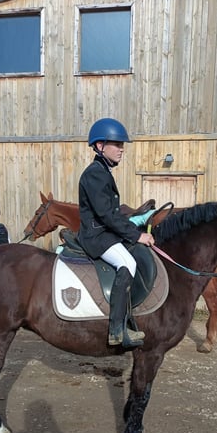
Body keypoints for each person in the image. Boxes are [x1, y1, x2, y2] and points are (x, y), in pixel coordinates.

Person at [77, 118, 155, 348]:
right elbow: (106, 215)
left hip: (104, 233)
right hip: (96, 237)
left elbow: (114, 213)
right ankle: (117, 331)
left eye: (122, 145)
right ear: (100, 146)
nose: (122, 149)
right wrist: (137, 235)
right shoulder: (95, 174)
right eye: (117, 144)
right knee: (127, 264)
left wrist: (134, 229)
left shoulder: (102, 171)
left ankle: (129, 319)